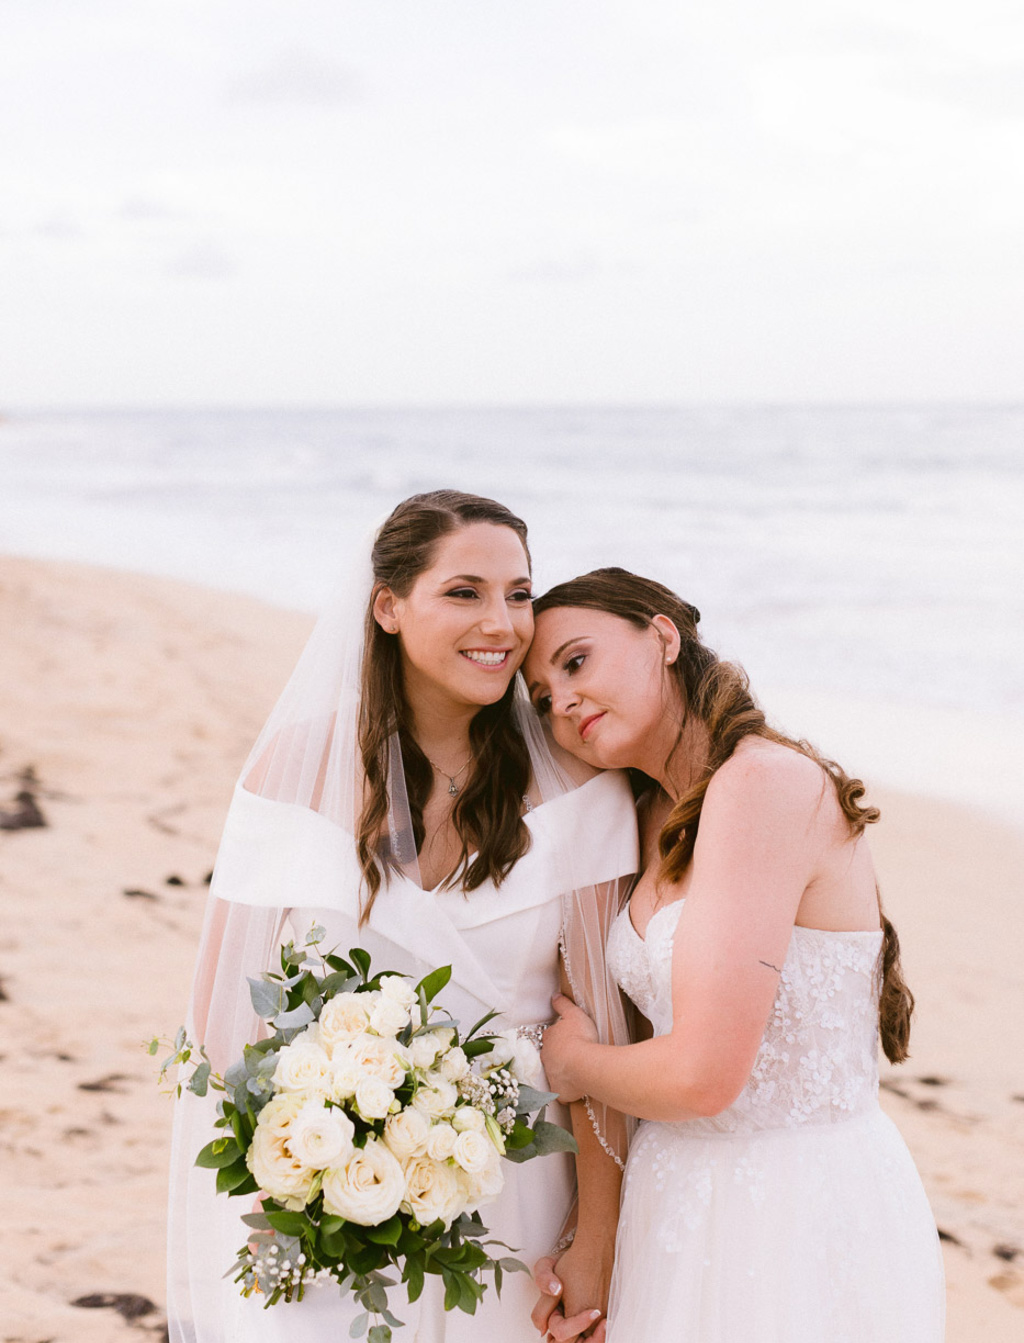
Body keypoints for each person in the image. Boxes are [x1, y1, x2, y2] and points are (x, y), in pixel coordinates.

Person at [166, 494, 638, 1343]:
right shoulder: (294, 765)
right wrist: (288, 1177)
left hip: (515, 1205)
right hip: (328, 1195)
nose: (502, 623)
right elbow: (222, 1015)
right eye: (465, 592)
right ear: (388, 605)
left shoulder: (577, 785)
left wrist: (594, 1242)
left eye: (519, 594)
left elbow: (602, 1041)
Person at [525, 568, 945, 1343]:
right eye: (544, 697)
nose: (564, 701)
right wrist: (596, 1239)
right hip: (677, 1198)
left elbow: (702, 1074)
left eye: (576, 661)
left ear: (662, 635)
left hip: (790, 1212)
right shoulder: (644, 810)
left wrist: (572, 1063)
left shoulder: (762, 783)